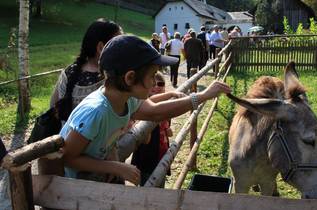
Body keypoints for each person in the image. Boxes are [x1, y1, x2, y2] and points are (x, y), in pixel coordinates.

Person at [60, 35, 231, 185]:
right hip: (75, 187)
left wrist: (201, 96)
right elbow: (68, 157)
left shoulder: (125, 99)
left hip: (95, 180)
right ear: (130, 78)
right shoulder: (96, 112)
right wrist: (114, 167)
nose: (154, 83)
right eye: (151, 76)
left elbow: (156, 111)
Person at [41, 18, 122, 177]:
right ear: (100, 47)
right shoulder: (107, 79)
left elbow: (53, 105)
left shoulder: (69, 71)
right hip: (98, 159)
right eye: (118, 44)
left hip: (66, 148)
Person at [131, 72, 178, 186]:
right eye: (153, 84)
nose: (156, 86)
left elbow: (167, 128)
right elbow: (143, 137)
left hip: (160, 151)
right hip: (146, 155)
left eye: (160, 84)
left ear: (164, 87)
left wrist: (167, 130)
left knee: (159, 180)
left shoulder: (166, 107)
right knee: (147, 183)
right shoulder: (141, 105)